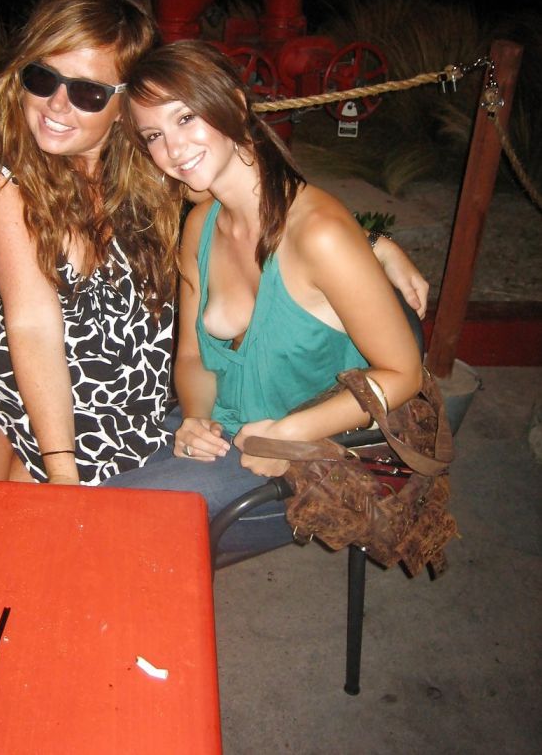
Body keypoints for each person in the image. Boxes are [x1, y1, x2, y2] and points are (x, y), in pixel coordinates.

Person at [0, 0, 426, 505]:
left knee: (21, 525)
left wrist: (368, 242)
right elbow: (33, 318)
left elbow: (263, 199)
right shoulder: (1, 150)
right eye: (42, 77)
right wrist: (61, 471)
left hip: (120, 409)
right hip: (13, 373)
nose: (57, 105)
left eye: (87, 92)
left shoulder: (156, 157)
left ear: (124, 104)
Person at [107, 39, 424, 557]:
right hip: (224, 432)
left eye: (185, 118)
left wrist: (290, 434)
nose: (174, 149)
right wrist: (195, 418)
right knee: (80, 484)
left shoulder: (320, 235)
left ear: (233, 105)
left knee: (113, 524)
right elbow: (191, 357)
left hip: (310, 459)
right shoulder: (201, 225)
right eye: (154, 135)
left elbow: (404, 374)